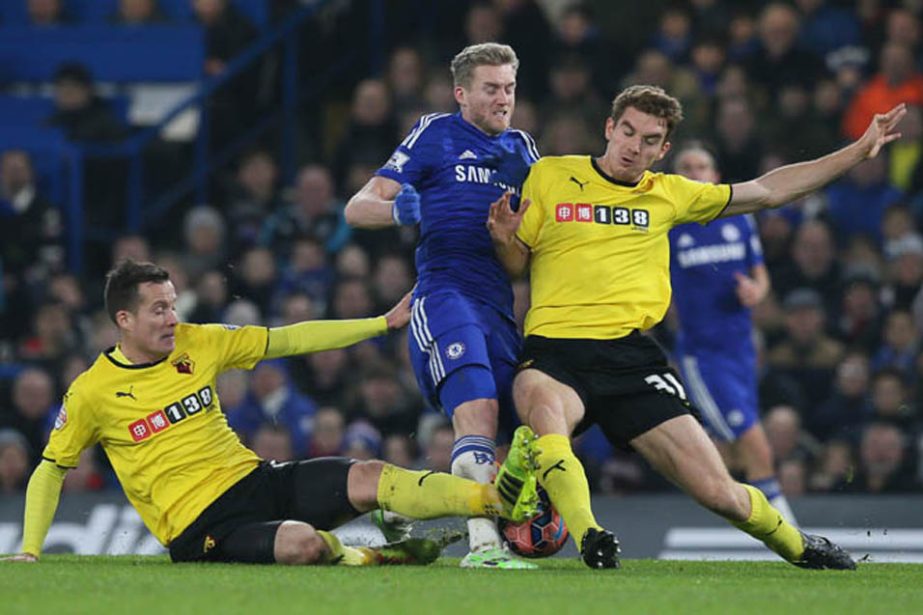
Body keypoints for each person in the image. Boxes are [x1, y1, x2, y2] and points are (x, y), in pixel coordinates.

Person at [488, 84, 906, 569]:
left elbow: (769, 191)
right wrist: (504, 241)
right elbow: (518, 265)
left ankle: (797, 544)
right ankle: (590, 535)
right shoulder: (552, 175)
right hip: (556, 350)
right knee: (544, 412)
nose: (633, 146)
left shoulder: (670, 194)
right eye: (627, 131)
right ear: (609, 127)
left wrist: (857, 151)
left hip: (629, 359)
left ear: (663, 150)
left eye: (649, 140)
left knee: (718, 492)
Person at [1, 260, 539, 565]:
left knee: (369, 474)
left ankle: (496, 498)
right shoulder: (92, 391)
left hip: (253, 478)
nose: (172, 317)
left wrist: (379, 324)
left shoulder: (200, 341)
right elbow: (51, 468)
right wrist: (28, 550)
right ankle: (375, 555)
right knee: (302, 545)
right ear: (123, 318)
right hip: (198, 526)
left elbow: (288, 339)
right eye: (158, 308)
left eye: (173, 303)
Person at [345, 42, 539, 569]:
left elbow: (529, 254)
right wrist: (399, 211)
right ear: (462, 94)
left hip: (499, 308)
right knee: (477, 411)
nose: (504, 99)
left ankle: (402, 502)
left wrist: (508, 242)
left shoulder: (524, 151)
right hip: (444, 295)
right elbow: (358, 208)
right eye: (491, 88)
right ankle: (484, 548)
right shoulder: (436, 133)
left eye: (510, 88)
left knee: (503, 432)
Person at [667, 141, 798, 525]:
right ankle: (785, 527)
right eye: (686, 167)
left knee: (729, 447)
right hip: (702, 354)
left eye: (701, 166)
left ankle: (726, 516)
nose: (694, 173)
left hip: (741, 349)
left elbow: (759, 274)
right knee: (752, 440)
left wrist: (757, 291)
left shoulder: (740, 220)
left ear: (716, 176)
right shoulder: (668, 226)